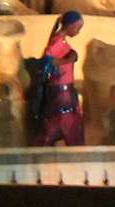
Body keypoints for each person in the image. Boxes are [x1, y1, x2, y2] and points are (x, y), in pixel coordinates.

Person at [35, 10, 85, 146]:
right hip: (61, 90)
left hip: (64, 88)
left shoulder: (60, 40)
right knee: (68, 122)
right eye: (77, 28)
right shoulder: (57, 41)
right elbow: (47, 62)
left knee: (63, 122)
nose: (78, 32)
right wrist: (69, 59)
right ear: (69, 26)